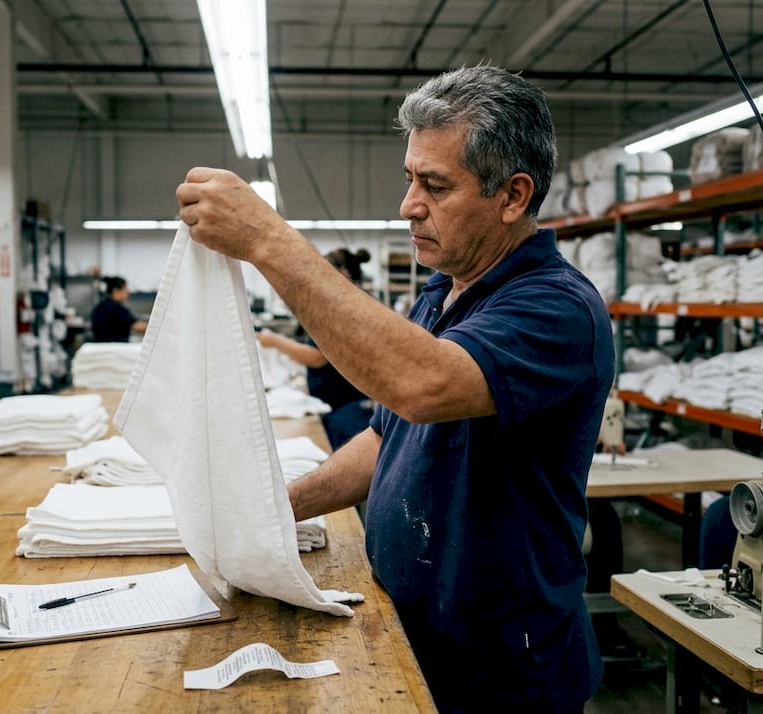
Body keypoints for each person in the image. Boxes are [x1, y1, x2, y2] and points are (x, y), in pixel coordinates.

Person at [177, 65, 614, 712]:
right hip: (417, 635)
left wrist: (268, 239)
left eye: (435, 186)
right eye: (411, 179)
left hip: (503, 669)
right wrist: (276, 507)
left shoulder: (557, 308)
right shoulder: (442, 291)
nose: (410, 204)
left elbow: (423, 386)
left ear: (513, 196)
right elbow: (389, 434)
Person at [256, 247, 375, 450]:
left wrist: (276, 341)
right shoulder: (344, 304)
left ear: (343, 273)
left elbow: (318, 357)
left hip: (348, 403)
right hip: (342, 400)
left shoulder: (345, 308)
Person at [90, 276, 147, 342]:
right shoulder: (118, 309)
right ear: (116, 290)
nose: (128, 292)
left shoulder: (99, 307)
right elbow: (138, 326)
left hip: (101, 347)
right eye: (125, 289)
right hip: (117, 348)